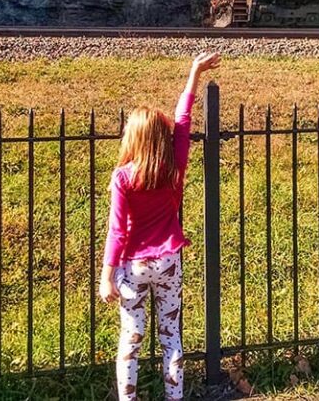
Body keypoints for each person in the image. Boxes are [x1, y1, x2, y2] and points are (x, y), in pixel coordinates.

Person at [99, 52, 220, 401]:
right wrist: (194, 72)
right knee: (171, 338)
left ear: (133, 138)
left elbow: (117, 231)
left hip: (134, 265)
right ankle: (174, 397)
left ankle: (129, 398)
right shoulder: (173, 169)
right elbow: (183, 120)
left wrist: (107, 277)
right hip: (168, 261)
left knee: (130, 340)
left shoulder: (123, 178)